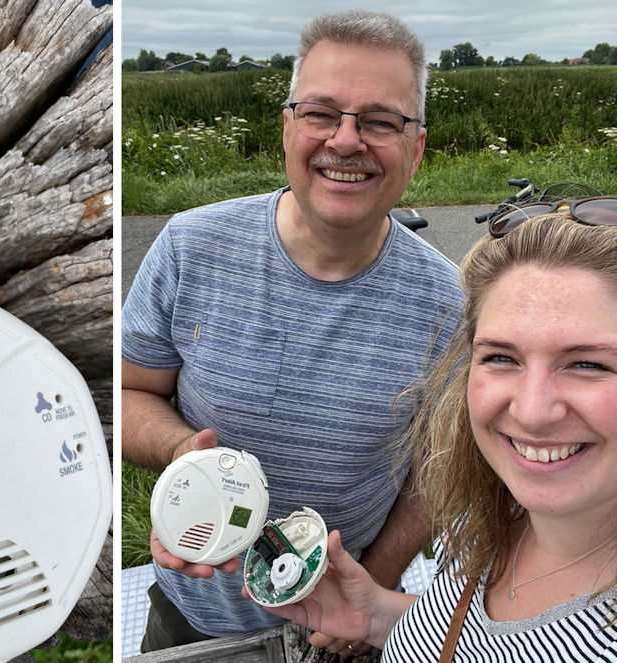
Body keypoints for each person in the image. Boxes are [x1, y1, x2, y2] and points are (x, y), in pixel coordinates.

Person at [121, 9, 463, 656]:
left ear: (415, 149)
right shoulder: (190, 247)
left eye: (380, 121)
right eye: (321, 113)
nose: (346, 140)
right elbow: (131, 390)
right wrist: (181, 453)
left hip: (339, 626)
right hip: (193, 611)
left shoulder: (449, 304)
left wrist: (371, 587)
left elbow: (436, 469)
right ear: (287, 128)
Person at [255, 209, 617, 660]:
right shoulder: (489, 514)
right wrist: (379, 616)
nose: (532, 411)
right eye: (502, 357)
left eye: (589, 364)